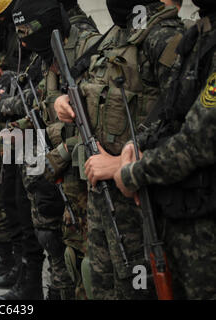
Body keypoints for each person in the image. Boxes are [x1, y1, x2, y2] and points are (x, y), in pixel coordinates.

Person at [53, 0, 184, 299]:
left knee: (136, 285)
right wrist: (65, 101)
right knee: (100, 282)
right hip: (101, 192)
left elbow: (184, 121)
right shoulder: (119, 33)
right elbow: (97, 88)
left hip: (140, 198)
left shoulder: (163, 37)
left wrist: (122, 164)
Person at [113, 0, 216, 299]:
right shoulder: (199, 35)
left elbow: (199, 141)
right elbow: (170, 111)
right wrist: (137, 143)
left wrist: (134, 174)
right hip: (182, 211)